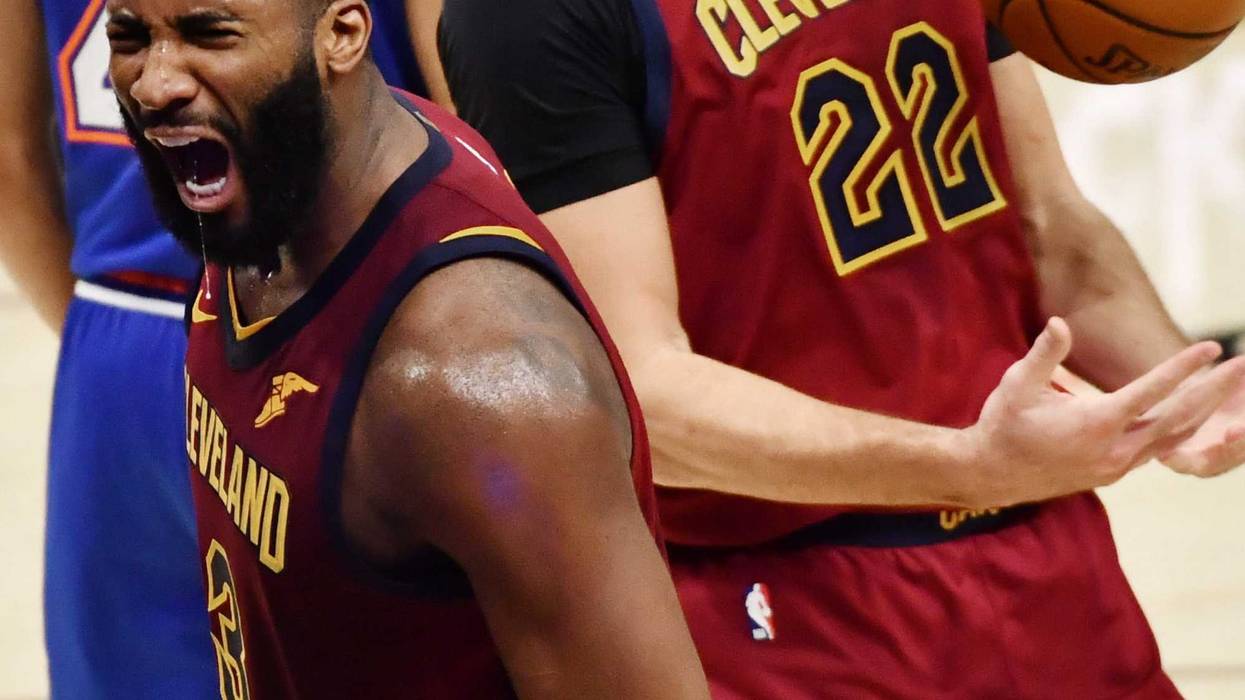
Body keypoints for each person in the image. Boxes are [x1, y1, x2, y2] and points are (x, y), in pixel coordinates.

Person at [439, 0, 1245, 696]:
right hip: (792, 604)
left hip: (1052, 561)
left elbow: (1051, 228)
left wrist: (1185, 388)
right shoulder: (532, 15)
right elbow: (640, 389)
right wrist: (962, 463)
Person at [106, 0, 708, 697]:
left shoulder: (473, 382)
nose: (155, 83)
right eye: (129, 37)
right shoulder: (268, 179)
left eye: (210, 35)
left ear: (342, 35)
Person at [0, 0, 433, 696]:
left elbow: (9, 158)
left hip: (118, 347)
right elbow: (481, 124)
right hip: (328, 329)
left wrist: (98, 335)